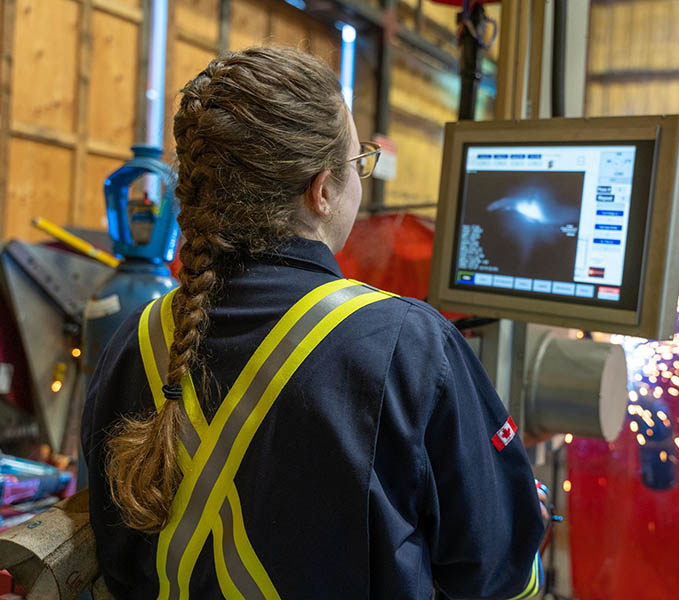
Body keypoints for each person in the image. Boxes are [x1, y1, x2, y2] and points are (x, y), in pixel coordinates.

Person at [82, 46, 547, 600]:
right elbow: (498, 573)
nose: (361, 180)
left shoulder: (135, 339)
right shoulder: (408, 346)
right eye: (358, 163)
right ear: (323, 190)